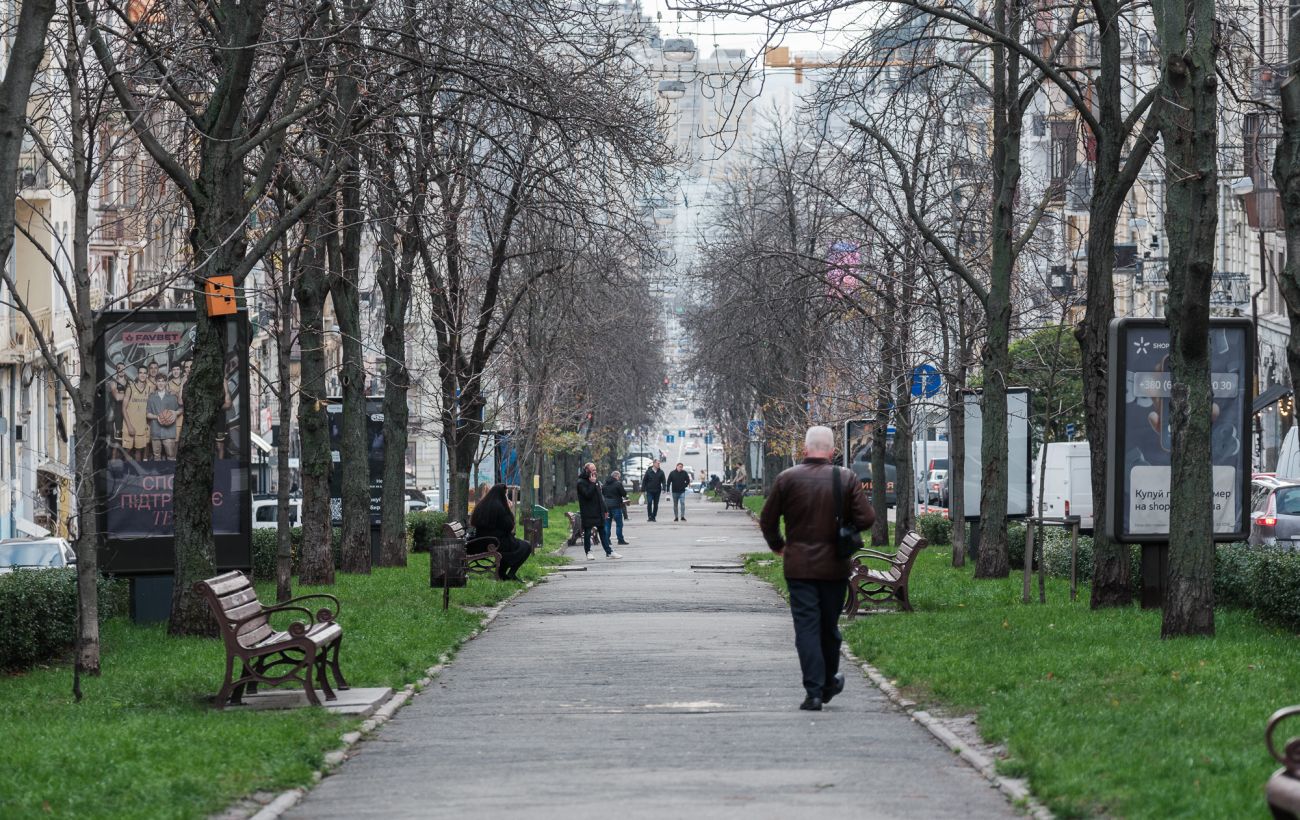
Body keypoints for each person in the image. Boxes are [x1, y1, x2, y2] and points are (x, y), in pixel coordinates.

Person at [759, 425, 874, 711]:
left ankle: (814, 691)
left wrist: (778, 544)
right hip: (834, 566)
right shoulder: (845, 478)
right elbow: (867, 518)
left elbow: (767, 519)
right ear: (833, 451)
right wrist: (845, 527)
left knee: (807, 628)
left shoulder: (787, 479)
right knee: (828, 627)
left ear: (804, 449)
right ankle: (827, 683)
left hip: (798, 566)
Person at [469, 483, 534, 580]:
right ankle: (508, 573)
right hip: (496, 542)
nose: (506, 497)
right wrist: (509, 509)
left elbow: (474, 522)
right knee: (526, 546)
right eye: (506, 494)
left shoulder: (482, 504)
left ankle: (502, 572)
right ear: (502, 494)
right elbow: (509, 526)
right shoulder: (499, 507)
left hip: (481, 541)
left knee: (518, 546)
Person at [576, 462, 621, 560]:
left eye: (595, 469)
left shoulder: (595, 481)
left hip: (598, 511)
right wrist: (592, 483)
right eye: (593, 470)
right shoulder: (581, 482)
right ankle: (588, 552)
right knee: (587, 533)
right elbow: (587, 495)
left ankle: (609, 552)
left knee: (603, 532)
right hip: (588, 512)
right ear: (587, 471)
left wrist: (605, 509)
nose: (595, 472)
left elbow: (600, 497)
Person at [146, 373, 182, 460]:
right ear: (156, 383)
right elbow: (148, 414)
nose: (161, 383)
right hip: (156, 431)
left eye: (163, 381)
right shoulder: (151, 397)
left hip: (169, 432)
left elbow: (181, 409)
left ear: (166, 383)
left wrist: (175, 413)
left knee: (171, 456)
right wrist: (157, 417)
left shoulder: (172, 396)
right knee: (157, 456)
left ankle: (172, 474)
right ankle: (158, 474)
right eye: (159, 381)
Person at [122, 365, 151, 460]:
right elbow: (123, 408)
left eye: (144, 373)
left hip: (141, 425)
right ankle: (126, 473)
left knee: (139, 451)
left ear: (147, 375)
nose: (142, 375)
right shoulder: (130, 388)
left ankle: (137, 474)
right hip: (129, 424)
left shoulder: (149, 389)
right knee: (128, 451)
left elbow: (149, 408)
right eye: (140, 372)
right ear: (137, 374)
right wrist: (129, 426)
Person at [602, 470, 629, 545]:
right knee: (619, 524)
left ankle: (607, 540)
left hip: (606, 506)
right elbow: (623, 493)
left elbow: (603, 493)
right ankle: (620, 540)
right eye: (619, 477)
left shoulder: (605, 484)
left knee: (607, 524)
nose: (619, 478)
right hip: (616, 505)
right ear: (616, 476)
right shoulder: (618, 484)